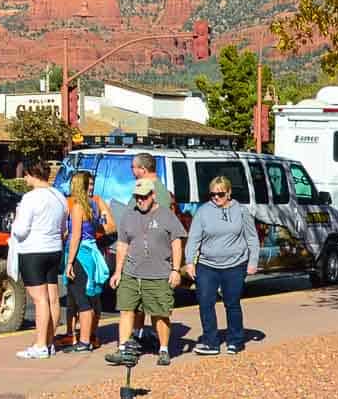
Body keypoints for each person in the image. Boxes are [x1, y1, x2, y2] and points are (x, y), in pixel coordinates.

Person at [105, 178, 185, 367]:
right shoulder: (129, 215)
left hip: (158, 274)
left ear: (153, 195)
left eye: (144, 197)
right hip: (132, 273)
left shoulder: (167, 216)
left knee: (160, 313)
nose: (140, 200)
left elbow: (177, 242)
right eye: (137, 197)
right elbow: (123, 244)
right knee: (126, 310)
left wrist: (175, 269)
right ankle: (123, 348)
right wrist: (117, 272)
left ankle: (164, 349)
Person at [185, 176, 260, 355]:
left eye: (220, 194)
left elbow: (252, 238)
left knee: (232, 302)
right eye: (212, 194)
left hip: (235, 264)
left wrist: (253, 262)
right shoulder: (203, 211)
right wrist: (189, 262)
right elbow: (194, 238)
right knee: (205, 302)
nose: (216, 198)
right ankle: (211, 342)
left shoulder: (241, 211)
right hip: (207, 264)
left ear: (229, 193)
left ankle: (235, 340)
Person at [11, 161, 67, 360]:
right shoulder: (60, 197)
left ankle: (41, 344)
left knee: (39, 298)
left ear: (32, 174)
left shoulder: (30, 198)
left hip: (34, 250)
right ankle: (50, 341)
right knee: (52, 296)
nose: (25, 179)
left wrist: (16, 219)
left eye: (26, 175)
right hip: (54, 248)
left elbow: (21, 229)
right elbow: (63, 228)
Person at [58, 171, 115, 351]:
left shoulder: (77, 207)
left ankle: (83, 341)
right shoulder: (93, 205)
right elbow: (103, 226)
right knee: (91, 297)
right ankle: (88, 336)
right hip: (92, 254)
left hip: (80, 255)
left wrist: (68, 263)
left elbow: (75, 236)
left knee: (81, 300)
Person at [126, 152, 172, 350]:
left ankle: (145, 338)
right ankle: (144, 334)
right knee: (146, 302)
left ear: (142, 169)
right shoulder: (163, 189)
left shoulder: (151, 191)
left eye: (133, 168)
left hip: (148, 255)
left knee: (146, 301)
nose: (132, 171)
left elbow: (132, 216)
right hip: (155, 253)